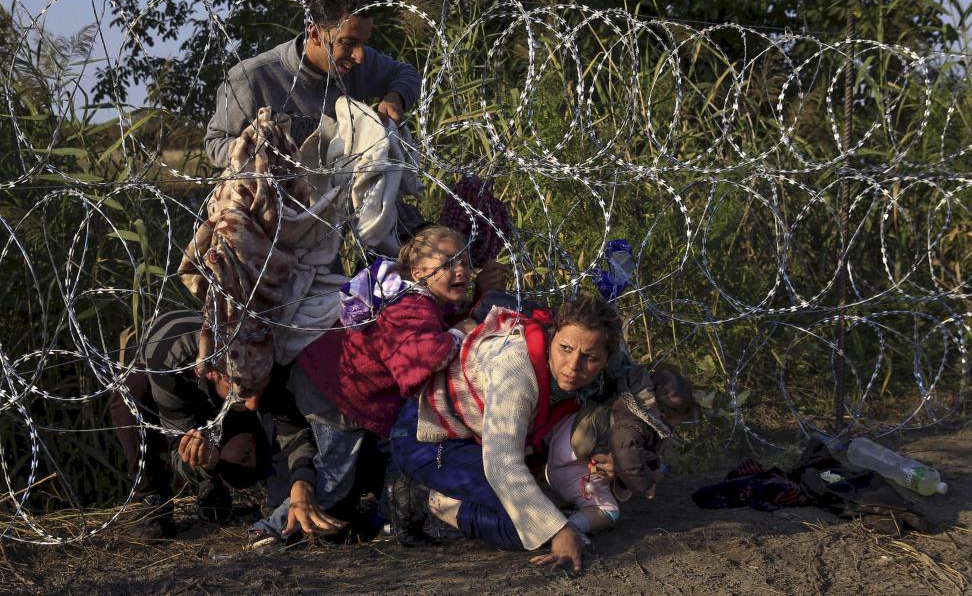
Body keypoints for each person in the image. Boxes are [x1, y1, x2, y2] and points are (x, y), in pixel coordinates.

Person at [249, 226, 505, 543]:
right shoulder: (411, 305)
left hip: (332, 381)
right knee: (334, 477)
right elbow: (423, 358)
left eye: (465, 262)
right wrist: (464, 330)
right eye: (449, 262)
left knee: (397, 453)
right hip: (337, 395)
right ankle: (272, 528)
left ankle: (389, 520)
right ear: (419, 272)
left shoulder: (416, 298)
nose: (461, 270)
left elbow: (436, 328)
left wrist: (473, 306)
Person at [389, 293, 624, 572]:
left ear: (608, 359)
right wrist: (558, 531)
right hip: (428, 438)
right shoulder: (516, 369)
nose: (573, 366)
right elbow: (502, 463)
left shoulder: (603, 378)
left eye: (590, 357)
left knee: (537, 513)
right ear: (553, 336)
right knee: (526, 527)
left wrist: (614, 459)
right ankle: (424, 495)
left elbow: (641, 417)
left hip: (474, 440)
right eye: (565, 348)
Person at [109, 310, 344, 538]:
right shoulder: (168, 362)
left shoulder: (263, 353)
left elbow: (293, 432)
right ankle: (153, 501)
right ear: (213, 373)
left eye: (257, 387)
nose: (253, 405)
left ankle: (232, 490)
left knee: (239, 459)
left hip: (224, 404)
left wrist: (302, 483)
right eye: (244, 390)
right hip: (173, 389)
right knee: (128, 392)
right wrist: (205, 464)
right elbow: (177, 451)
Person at [204, 0, 421, 167]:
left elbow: (407, 73)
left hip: (341, 202)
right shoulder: (251, 78)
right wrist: (268, 149)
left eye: (364, 42)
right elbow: (215, 145)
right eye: (348, 43)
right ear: (316, 34)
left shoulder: (356, 63)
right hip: (279, 203)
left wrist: (397, 97)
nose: (360, 57)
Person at [544, 364, 699, 538]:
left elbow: (644, 452)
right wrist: (645, 484)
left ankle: (574, 509)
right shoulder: (632, 425)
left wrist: (653, 468)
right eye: (676, 422)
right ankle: (571, 529)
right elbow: (627, 457)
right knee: (608, 511)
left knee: (620, 483)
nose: (675, 427)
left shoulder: (625, 405)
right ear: (662, 414)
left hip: (564, 458)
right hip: (569, 469)